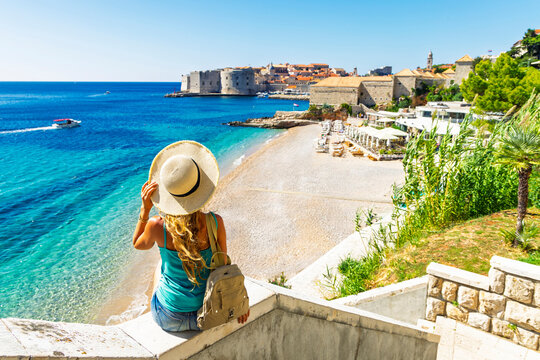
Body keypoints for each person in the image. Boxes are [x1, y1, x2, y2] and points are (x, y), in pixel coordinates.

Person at [132, 141, 249, 332]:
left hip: (168, 317)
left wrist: (145, 210)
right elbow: (223, 267)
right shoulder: (215, 222)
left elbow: (138, 244)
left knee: (160, 266)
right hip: (207, 314)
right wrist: (236, 303)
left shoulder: (156, 225)